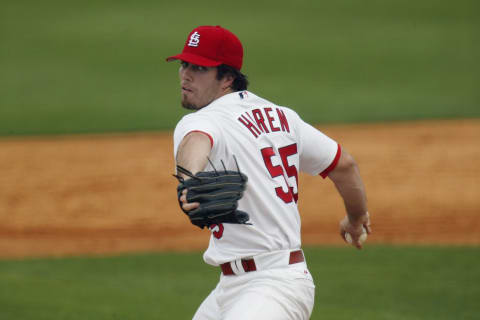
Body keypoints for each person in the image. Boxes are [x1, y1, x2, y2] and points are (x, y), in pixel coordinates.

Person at [166, 25, 371, 320]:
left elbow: (196, 140)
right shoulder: (283, 116)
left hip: (273, 287)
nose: (185, 74)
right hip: (234, 287)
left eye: (199, 68)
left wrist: (189, 180)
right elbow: (343, 164)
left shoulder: (201, 120)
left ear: (227, 78)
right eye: (184, 64)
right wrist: (356, 218)